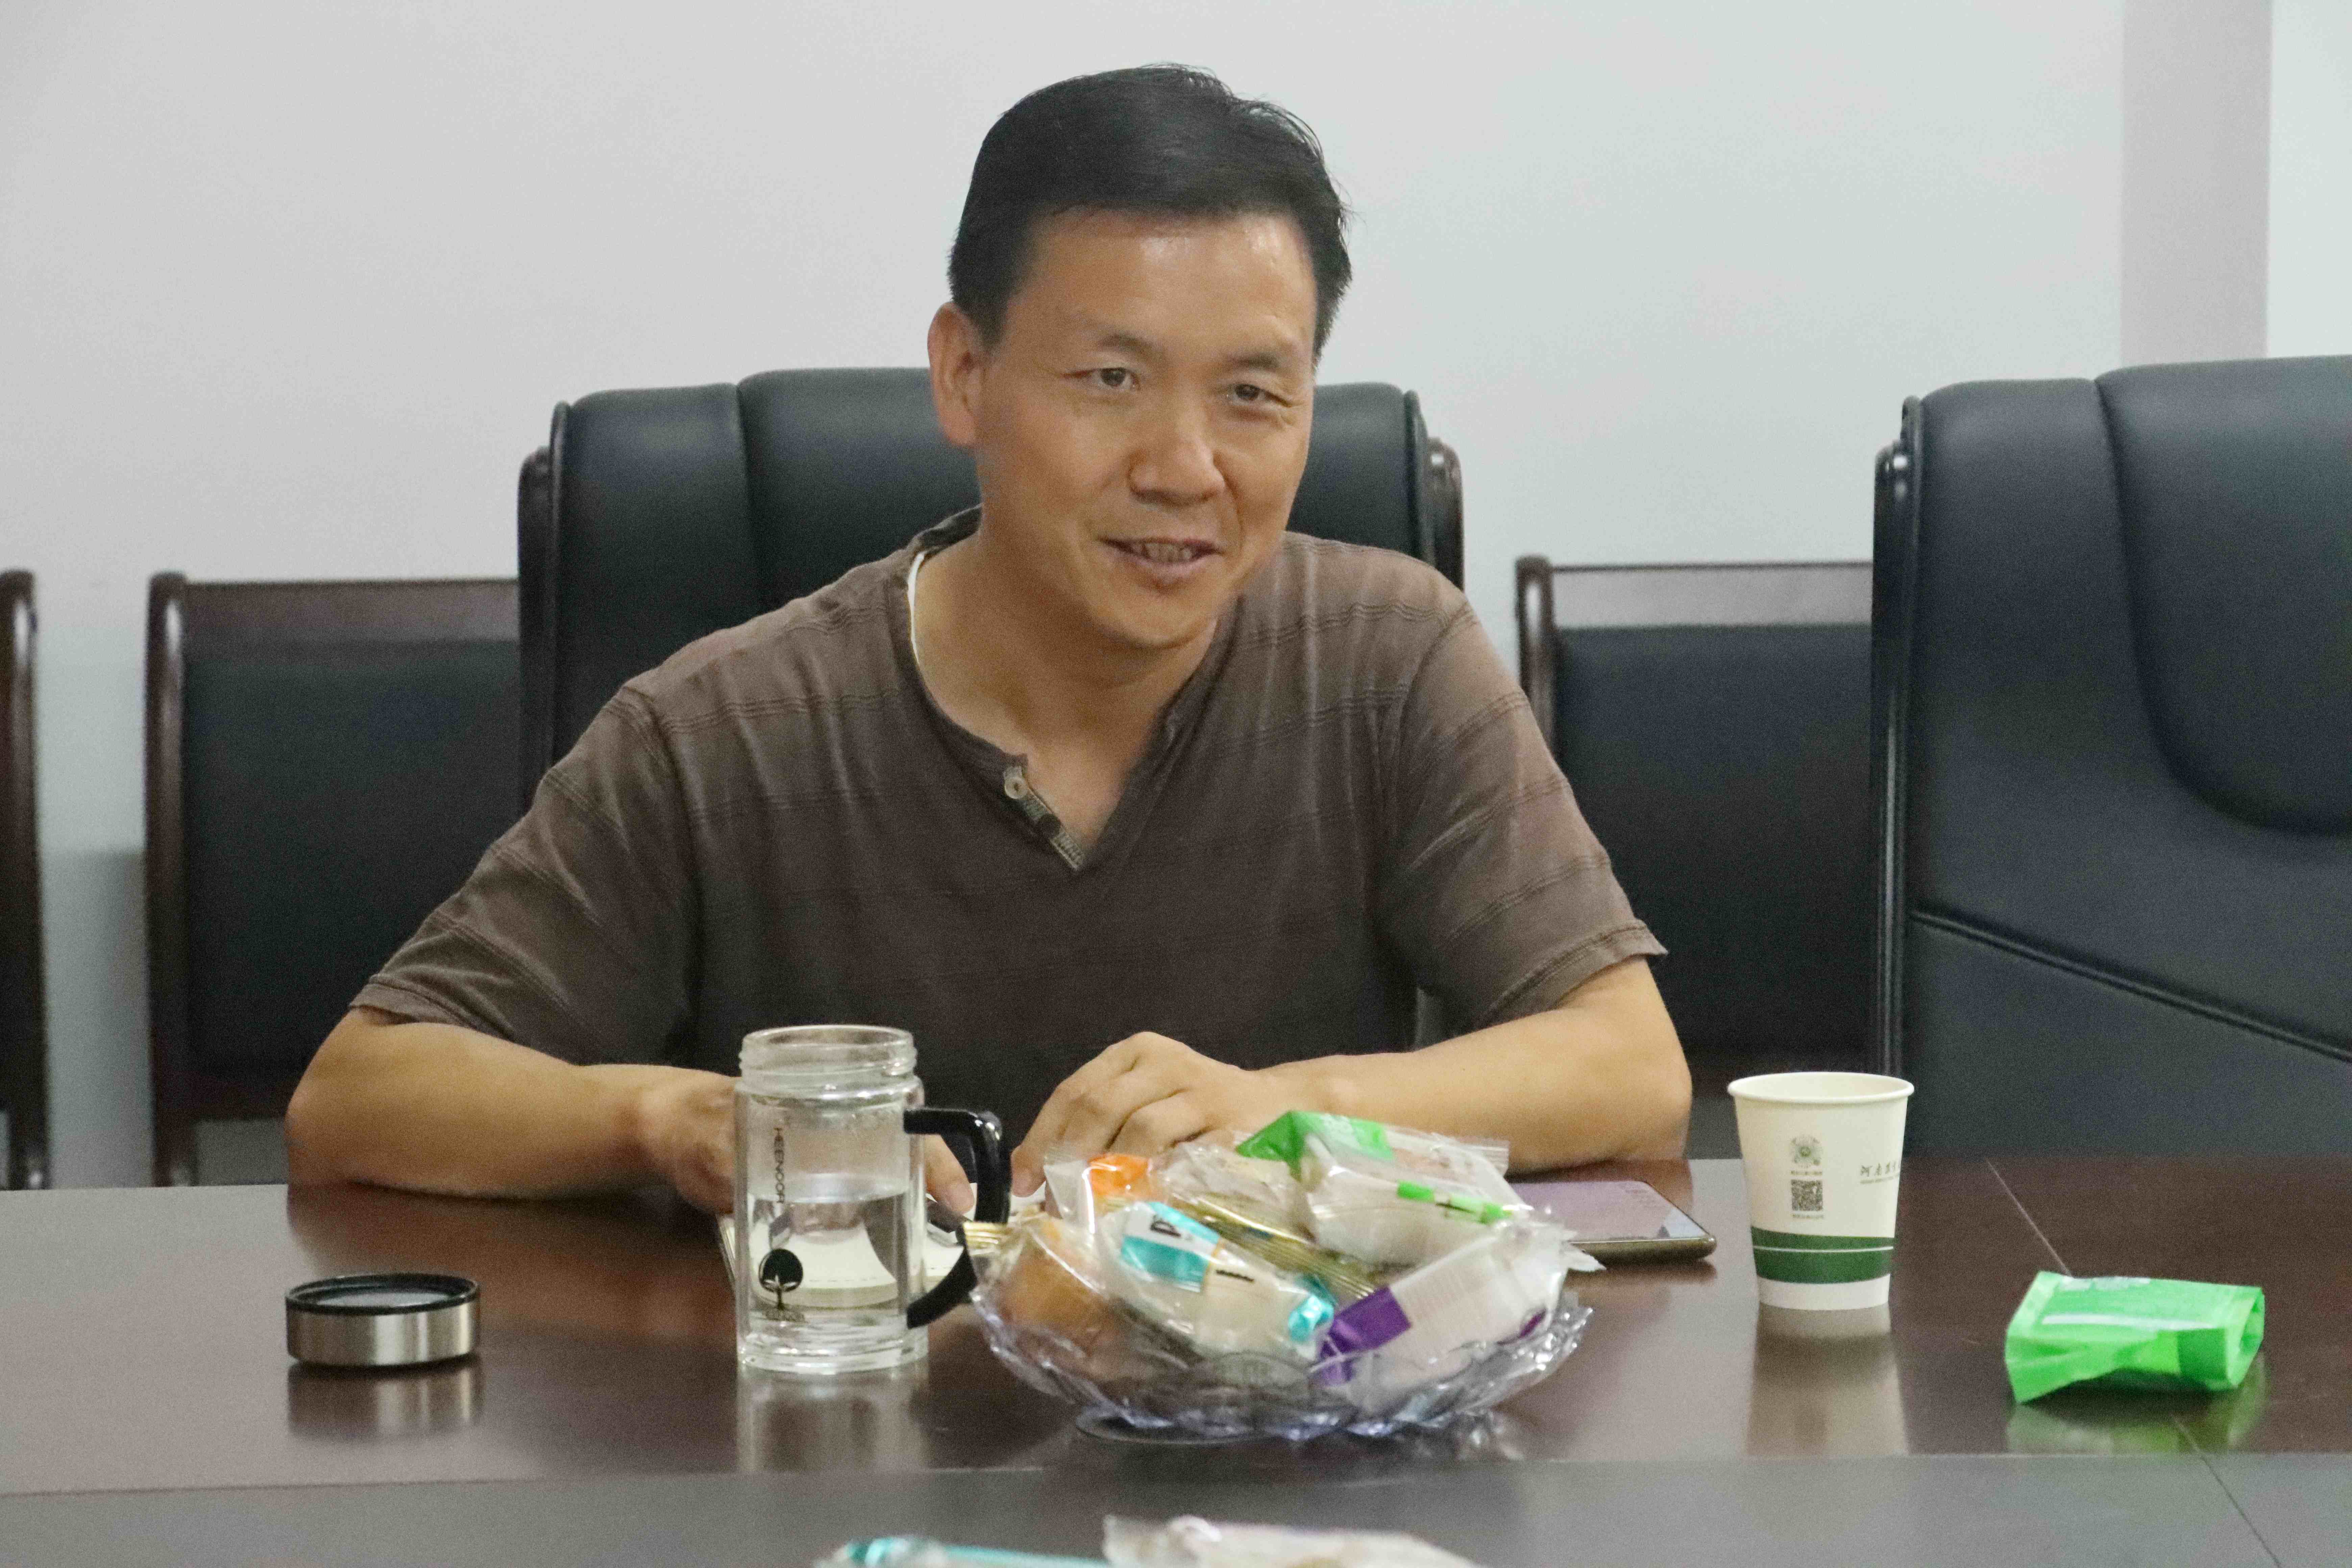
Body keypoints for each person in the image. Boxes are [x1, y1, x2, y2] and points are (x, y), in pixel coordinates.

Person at [286, 65, 1688, 1215]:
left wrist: (1287, 1109)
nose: (1186, 467)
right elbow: (356, 1099)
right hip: (841, 1418)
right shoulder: (725, 729)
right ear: (964, 374)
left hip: (1280, 1428)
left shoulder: (1388, 657)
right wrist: (671, 1119)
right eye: (1112, 378)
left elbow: (1631, 1070)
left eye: (1255, 395)